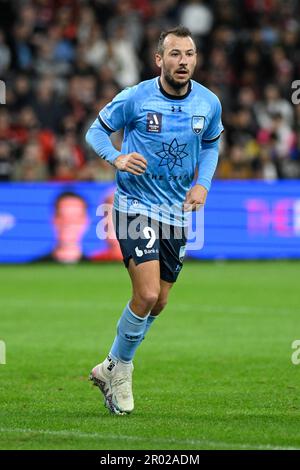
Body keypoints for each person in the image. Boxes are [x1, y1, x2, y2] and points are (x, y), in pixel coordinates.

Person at [86, 26, 223, 415]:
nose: (184, 62)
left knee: (159, 302)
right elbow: (96, 131)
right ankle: (123, 371)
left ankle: (108, 366)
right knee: (145, 294)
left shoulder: (208, 103)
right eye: (175, 54)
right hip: (134, 205)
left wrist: (204, 185)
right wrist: (116, 158)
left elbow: (211, 143)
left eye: (190, 54)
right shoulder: (135, 98)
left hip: (177, 211)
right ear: (159, 60)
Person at [37, 191, 90, 263]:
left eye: (75, 217)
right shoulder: (35, 267)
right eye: (62, 216)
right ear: (53, 219)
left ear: (85, 221)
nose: (68, 223)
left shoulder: (96, 268)